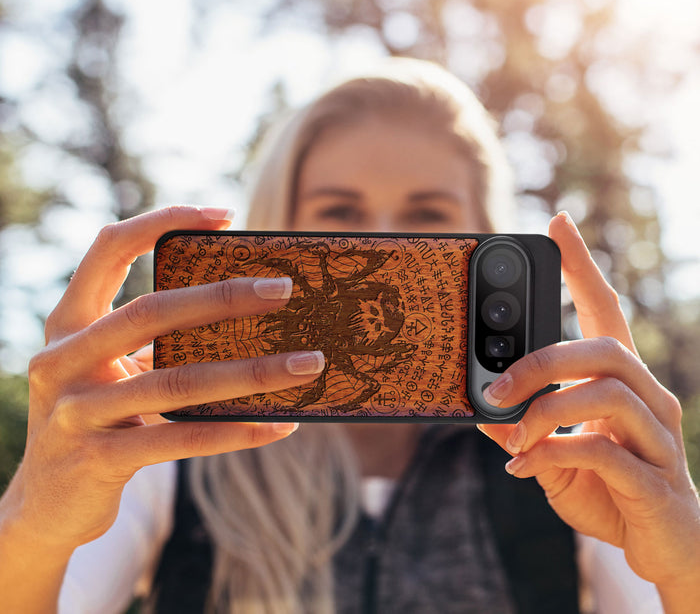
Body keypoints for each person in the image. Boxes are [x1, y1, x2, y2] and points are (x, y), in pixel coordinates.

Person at [0, 59, 698, 614]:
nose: (384, 245)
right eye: (340, 212)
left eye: (427, 216)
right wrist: (34, 521)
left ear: (487, 238)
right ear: (278, 229)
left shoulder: (567, 457)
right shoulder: (171, 449)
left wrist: (685, 562)